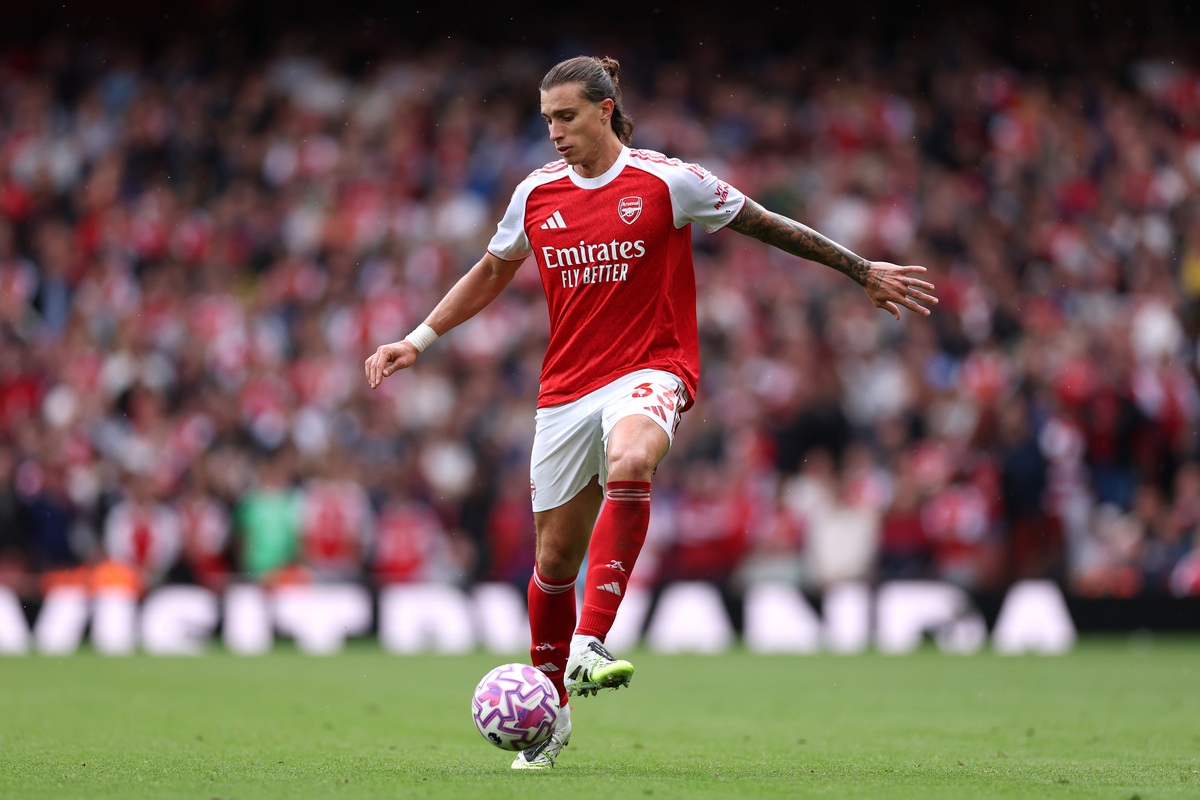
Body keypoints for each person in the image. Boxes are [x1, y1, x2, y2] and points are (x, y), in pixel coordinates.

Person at [365, 55, 938, 769]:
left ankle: (591, 639)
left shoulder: (668, 180)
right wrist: (419, 339)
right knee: (552, 561)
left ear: (606, 109)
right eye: (546, 120)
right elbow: (491, 270)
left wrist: (862, 270)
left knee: (632, 458)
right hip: (564, 391)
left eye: (566, 117)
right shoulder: (535, 194)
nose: (554, 132)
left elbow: (766, 224)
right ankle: (550, 716)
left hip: (650, 369)